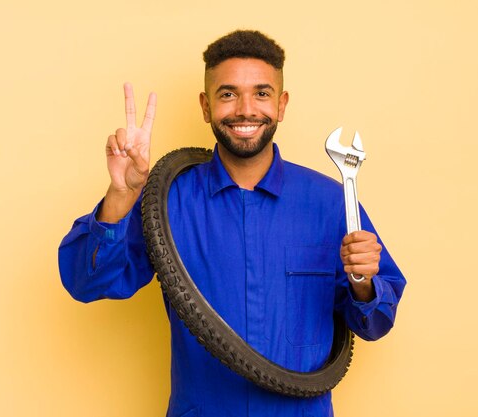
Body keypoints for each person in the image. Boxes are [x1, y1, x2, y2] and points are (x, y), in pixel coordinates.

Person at [59, 30, 406, 417]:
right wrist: (121, 195)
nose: (245, 109)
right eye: (228, 94)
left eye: (261, 93)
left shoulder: (331, 201)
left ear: (282, 103)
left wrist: (363, 284)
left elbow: (375, 323)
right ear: (206, 107)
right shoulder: (165, 201)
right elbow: (86, 283)